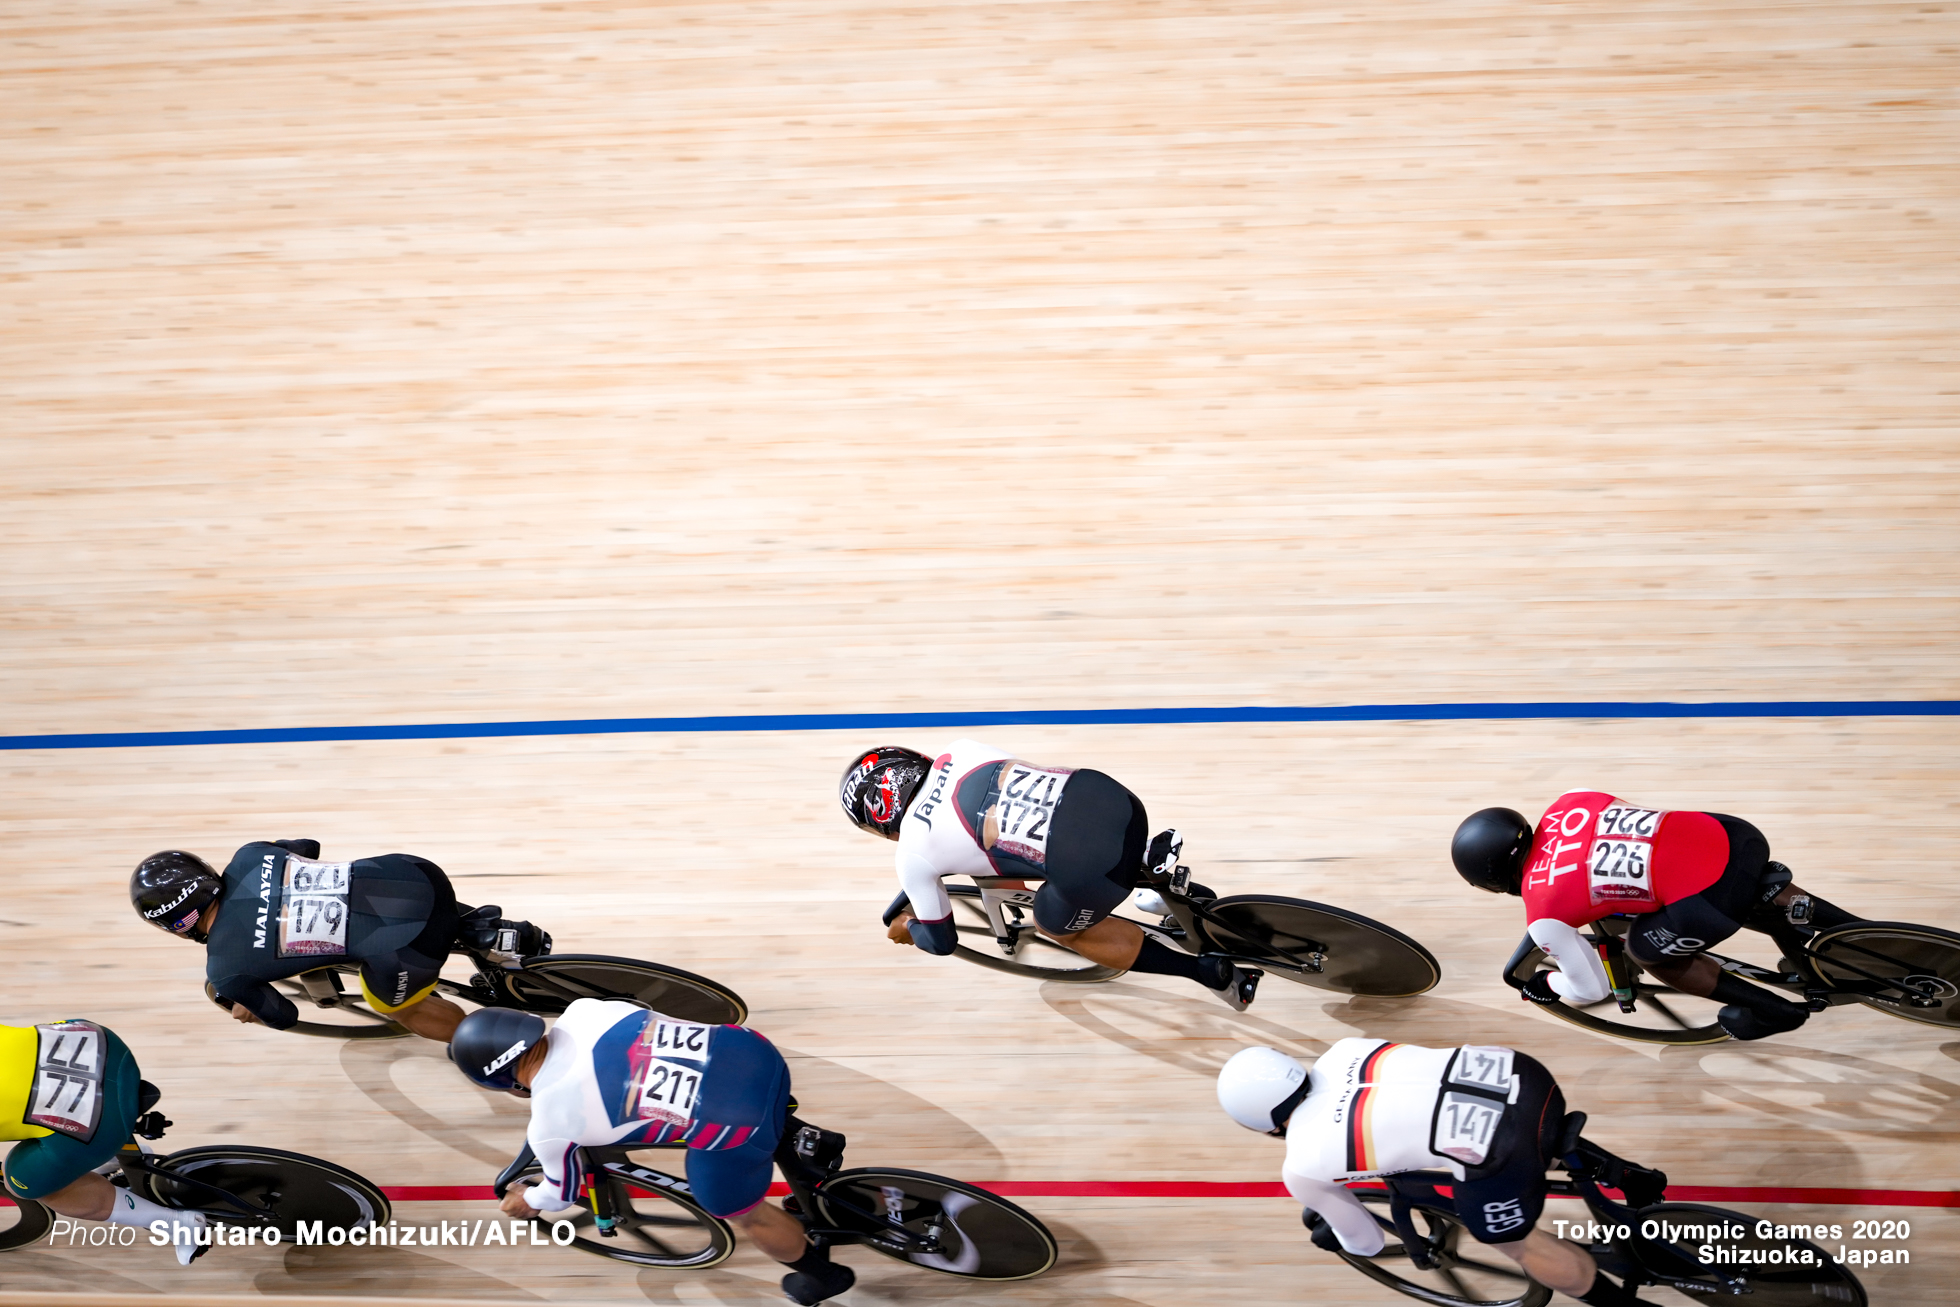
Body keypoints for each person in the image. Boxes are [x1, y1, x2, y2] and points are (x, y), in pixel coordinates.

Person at [453, 1001, 854, 1306]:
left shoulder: (551, 1122)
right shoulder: (583, 1010)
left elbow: (559, 1193)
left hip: (739, 1118)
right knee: (718, 1099)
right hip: (752, 1050)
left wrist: (529, 1199)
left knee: (737, 1207)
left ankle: (823, 1276)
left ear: (504, 1082)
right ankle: (812, 1149)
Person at [1217, 1040, 1658, 1306]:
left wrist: (1338, 1237)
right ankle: (1639, 1182)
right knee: (1499, 1131)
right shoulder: (1344, 1048)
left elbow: (1366, 1242)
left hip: (1503, 1145)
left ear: (1264, 1124)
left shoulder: (1302, 1165)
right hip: (1523, 1073)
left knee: (1513, 1240)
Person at [840, 742, 1260, 1009]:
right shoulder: (958, 750)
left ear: (879, 823)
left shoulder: (912, 854)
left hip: (1092, 866)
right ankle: (1167, 891)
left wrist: (909, 927)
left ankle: (1205, 972)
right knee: (1043, 840)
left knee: (1057, 925)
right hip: (1114, 799)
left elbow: (943, 942)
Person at [1450, 795, 1846, 1040]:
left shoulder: (1543, 912)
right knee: (1709, 877)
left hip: (1711, 895)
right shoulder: (1570, 801)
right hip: (1734, 834)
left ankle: (1777, 1012)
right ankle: (1855, 934)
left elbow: (1590, 990)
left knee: (1646, 950)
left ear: (1493, 881)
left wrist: (1548, 981)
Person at [129, 839, 548, 1043]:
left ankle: (498, 1055)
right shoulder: (249, 854)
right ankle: (486, 934)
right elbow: (307, 846)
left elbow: (284, 1016)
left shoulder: (225, 969)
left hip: (408, 942)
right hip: (415, 873)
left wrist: (249, 1007)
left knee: (401, 1007)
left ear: (174, 925)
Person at [2, 1019, 209, 1264]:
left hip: (97, 1119)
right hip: (96, 1042)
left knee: (23, 1182)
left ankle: (177, 1224)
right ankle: (112, 1157)